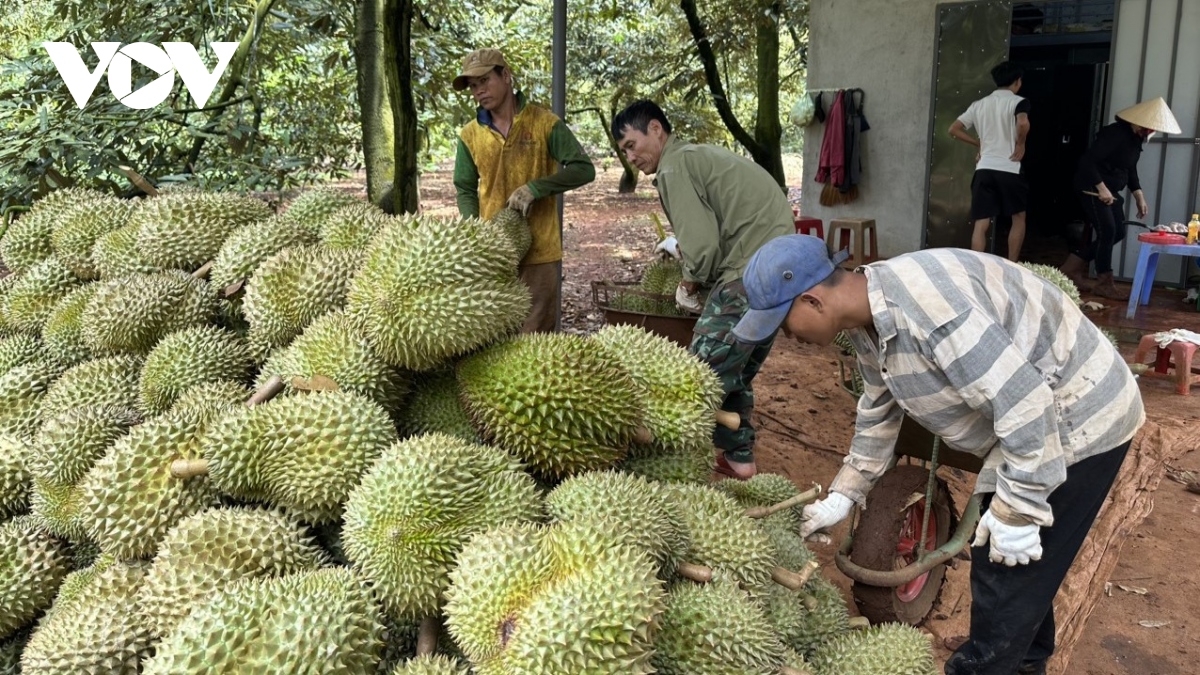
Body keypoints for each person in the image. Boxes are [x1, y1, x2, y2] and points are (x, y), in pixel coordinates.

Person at [733, 235, 1145, 675]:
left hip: (1080, 416)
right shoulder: (869, 318)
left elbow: (1027, 407)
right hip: (1029, 424)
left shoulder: (934, 316)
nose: (789, 339)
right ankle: (1027, 662)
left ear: (813, 301)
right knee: (1013, 564)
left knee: (1005, 573)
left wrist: (1020, 511)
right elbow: (879, 405)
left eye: (784, 324)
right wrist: (846, 493)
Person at [611, 99, 793, 479]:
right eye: (624, 151)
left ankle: (671, 466)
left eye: (631, 144)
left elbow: (704, 248)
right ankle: (739, 460)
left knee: (698, 375)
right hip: (779, 271)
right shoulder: (697, 158)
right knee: (734, 368)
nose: (631, 157)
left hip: (748, 271)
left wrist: (689, 280)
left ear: (656, 129)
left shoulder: (676, 166)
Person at [452, 48, 596, 332]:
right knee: (492, 339)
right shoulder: (470, 135)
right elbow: (465, 188)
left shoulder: (545, 124)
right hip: (491, 252)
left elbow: (584, 168)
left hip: (540, 252)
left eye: (484, 81)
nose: (479, 91)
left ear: (505, 76)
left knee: (533, 342)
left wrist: (537, 188)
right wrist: (474, 230)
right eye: (473, 86)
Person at [1059, 97, 1181, 299]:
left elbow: (1129, 168)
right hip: (1091, 186)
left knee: (1118, 233)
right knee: (1107, 231)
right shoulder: (1114, 134)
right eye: (1148, 128)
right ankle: (1104, 283)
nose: (1149, 132)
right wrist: (1102, 188)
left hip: (1110, 190)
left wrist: (1139, 195)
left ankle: (1070, 269)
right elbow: (1088, 161)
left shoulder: (1135, 140)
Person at [949, 61, 1031, 262]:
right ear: (1017, 82)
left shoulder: (979, 104)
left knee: (981, 222)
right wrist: (1021, 144)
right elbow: (1022, 122)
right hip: (1010, 168)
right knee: (1018, 217)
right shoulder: (1019, 102)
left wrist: (978, 144)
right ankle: (1012, 264)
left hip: (984, 169)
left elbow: (954, 129)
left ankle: (977, 265)